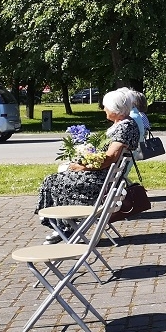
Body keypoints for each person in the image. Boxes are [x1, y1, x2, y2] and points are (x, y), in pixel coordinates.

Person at [37, 89, 141, 242]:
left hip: (102, 180)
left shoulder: (125, 127)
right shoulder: (124, 124)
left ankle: (66, 227)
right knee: (55, 178)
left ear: (116, 109)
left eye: (106, 106)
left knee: (52, 181)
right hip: (105, 175)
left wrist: (82, 167)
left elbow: (110, 158)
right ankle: (64, 226)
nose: (104, 109)